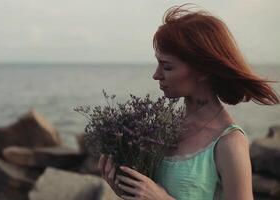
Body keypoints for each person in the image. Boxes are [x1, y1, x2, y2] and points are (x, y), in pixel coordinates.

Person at [98, 4, 279, 200]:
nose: (156, 75)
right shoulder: (161, 127)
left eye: (167, 67)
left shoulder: (229, 143)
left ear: (202, 70)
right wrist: (126, 188)